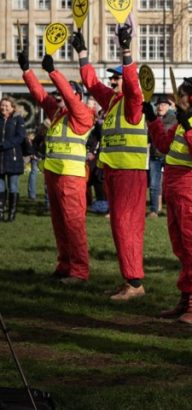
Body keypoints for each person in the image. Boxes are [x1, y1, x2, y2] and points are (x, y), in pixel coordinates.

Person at [77, 25, 148, 300]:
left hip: (130, 173)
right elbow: (92, 84)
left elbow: (131, 83)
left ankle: (135, 283)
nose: (113, 82)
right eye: (113, 79)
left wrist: (126, 52)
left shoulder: (133, 102)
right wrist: (83, 54)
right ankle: (129, 279)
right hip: (115, 171)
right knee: (119, 227)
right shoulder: (113, 101)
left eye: (116, 79)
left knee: (124, 225)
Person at [145, 78, 192, 324]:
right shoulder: (182, 121)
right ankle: (188, 299)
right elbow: (164, 145)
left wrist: (188, 125)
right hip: (177, 187)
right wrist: (153, 120)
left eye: (184, 94)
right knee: (182, 248)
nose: (180, 99)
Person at [19, 50, 94, 283]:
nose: (60, 98)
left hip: (72, 176)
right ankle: (65, 265)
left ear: (78, 95)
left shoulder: (82, 113)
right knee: (60, 223)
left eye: (66, 94)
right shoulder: (59, 113)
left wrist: (53, 72)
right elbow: (40, 96)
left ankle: (79, 271)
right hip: (54, 174)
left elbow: (69, 99)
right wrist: (27, 71)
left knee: (73, 224)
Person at [0, 96, 26, 222]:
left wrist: (4, 145)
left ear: (12, 107)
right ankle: (0, 212)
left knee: (13, 186)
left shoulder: (18, 119)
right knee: (0, 186)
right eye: (2, 105)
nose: (3, 108)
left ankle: (12, 213)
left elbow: (20, 137)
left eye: (6, 106)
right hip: (0, 157)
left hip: (13, 157)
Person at [148, 96, 175, 218]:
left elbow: (163, 133)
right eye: (158, 104)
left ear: (169, 106)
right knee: (154, 185)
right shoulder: (152, 118)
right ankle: (154, 210)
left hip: (169, 155)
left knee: (170, 185)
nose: (160, 107)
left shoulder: (173, 118)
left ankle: (171, 210)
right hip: (155, 155)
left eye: (163, 104)